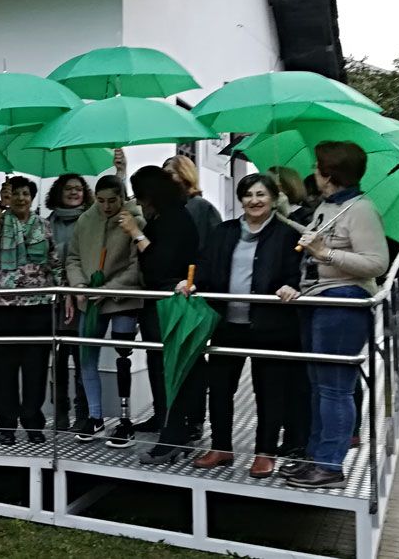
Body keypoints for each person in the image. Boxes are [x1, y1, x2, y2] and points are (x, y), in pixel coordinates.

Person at [182, 173, 307, 478]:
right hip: (227, 323)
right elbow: (206, 267)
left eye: (261, 194)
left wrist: (290, 287)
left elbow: (294, 274)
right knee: (221, 387)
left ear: (274, 198)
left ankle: (265, 453)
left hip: (270, 325)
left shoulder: (287, 234)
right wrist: (190, 284)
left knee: (270, 391)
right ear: (240, 199)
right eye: (248, 195)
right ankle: (221, 446)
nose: (254, 201)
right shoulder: (223, 231)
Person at [284, 141, 389, 489]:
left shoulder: (360, 209)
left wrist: (326, 253)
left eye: (317, 166)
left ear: (329, 173)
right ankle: (315, 458)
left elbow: (376, 263)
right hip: (316, 300)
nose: (313, 171)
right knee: (319, 386)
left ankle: (330, 465)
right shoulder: (330, 207)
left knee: (334, 388)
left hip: (343, 301)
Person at [120, 167, 200, 464]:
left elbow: (159, 264)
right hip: (163, 302)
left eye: (140, 197)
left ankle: (173, 434)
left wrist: (136, 233)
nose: (139, 204)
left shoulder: (173, 220)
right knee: (163, 366)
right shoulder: (171, 215)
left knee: (171, 369)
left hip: (169, 302)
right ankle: (169, 422)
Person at [0, 176, 65, 446]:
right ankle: (6, 424)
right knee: (2, 368)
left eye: (25, 193)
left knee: (35, 368)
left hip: (37, 306)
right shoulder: (0, 221)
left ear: (32, 196)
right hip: (2, 307)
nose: (20, 198)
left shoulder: (43, 225)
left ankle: (32, 421)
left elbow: (54, 262)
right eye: (14, 194)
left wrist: (66, 293)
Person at [65, 176, 144, 447]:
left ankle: (125, 420)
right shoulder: (85, 220)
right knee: (87, 358)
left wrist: (110, 288)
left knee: (124, 356)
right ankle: (95, 416)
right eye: (100, 201)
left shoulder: (135, 220)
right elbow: (73, 257)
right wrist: (79, 285)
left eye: (112, 201)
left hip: (123, 298)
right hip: (90, 298)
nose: (106, 206)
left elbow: (138, 266)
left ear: (122, 198)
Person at [163, 154, 221, 439]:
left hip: (193, 292)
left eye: (171, 175)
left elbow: (212, 250)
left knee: (193, 358)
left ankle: (195, 418)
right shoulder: (166, 209)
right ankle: (171, 413)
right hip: (170, 293)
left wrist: (196, 282)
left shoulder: (201, 208)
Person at [45, 174, 92, 431]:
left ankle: (83, 414)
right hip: (56, 297)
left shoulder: (90, 219)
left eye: (78, 188)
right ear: (58, 192)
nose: (74, 192)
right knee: (58, 359)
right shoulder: (48, 221)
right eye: (68, 189)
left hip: (81, 296)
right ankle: (60, 411)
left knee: (82, 357)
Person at [163, 155, 222, 252]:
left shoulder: (201, 206)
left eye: (170, 173)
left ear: (184, 174)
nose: (165, 179)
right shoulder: (168, 208)